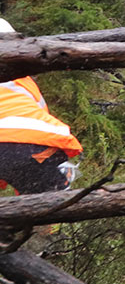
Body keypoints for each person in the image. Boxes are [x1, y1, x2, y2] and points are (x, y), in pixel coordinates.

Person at [0, 18, 82, 194]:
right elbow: (40, 112)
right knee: (53, 202)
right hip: (31, 141)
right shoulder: (23, 81)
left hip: (20, 143)